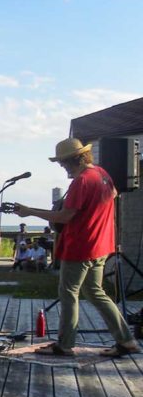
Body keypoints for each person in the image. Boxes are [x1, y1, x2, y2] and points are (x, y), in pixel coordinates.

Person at [14, 137, 140, 357]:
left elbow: (65, 216)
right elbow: (110, 197)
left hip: (82, 246)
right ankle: (126, 340)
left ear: (73, 160)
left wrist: (30, 211)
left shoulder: (82, 180)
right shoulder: (102, 174)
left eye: (63, 163)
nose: (62, 168)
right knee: (95, 291)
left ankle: (65, 345)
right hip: (101, 245)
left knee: (68, 293)